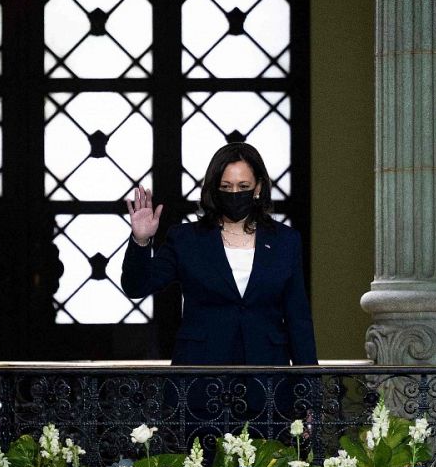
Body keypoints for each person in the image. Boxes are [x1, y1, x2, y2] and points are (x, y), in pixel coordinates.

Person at [121, 143, 317, 431]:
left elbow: (298, 319)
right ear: (214, 189)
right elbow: (137, 286)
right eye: (226, 186)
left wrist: (309, 396)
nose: (235, 193)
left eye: (243, 185)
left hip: (268, 384)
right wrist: (140, 241)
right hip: (201, 382)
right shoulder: (186, 239)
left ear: (259, 187)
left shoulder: (286, 241)